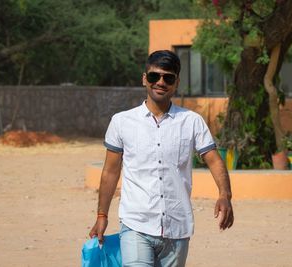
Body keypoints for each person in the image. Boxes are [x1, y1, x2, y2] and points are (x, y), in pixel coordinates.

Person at [89, 50, 234, 266]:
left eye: (168, 77)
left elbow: (213, 159)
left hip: (177, 228)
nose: (161, 82)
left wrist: (225, 195)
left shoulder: (192, 122)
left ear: (176, 83)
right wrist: (102, 216)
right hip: (135, 224)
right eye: (154, 76)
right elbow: (110, 172)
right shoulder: (121, 122)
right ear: (144, 79)